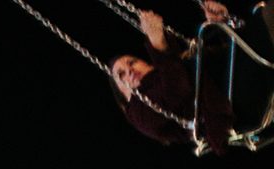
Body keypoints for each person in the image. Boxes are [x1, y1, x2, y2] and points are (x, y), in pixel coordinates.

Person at [110, 3, 274, 154]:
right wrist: (159, 47)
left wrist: (222, 22)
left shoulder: (172, 66)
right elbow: (178, 94)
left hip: (243, 77)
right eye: (121, 75)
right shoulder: (140, 113)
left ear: (148, 64)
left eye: (132, 62)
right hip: (237, 104)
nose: (130, 70)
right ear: (122, 95)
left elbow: (220, 58)